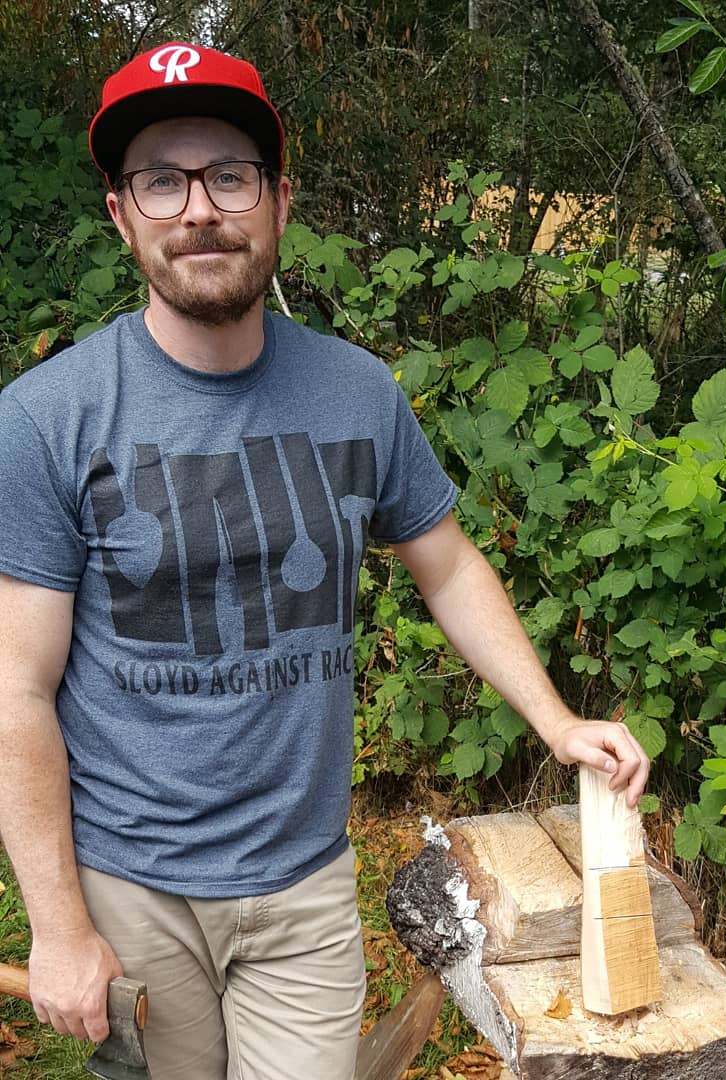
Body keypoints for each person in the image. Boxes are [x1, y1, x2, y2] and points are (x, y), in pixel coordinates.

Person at [0, 41, 649, 1080]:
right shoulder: (47, 421)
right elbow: (17, 694)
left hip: (302, 882)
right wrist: (60, 924)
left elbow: (446, 564)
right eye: (161, 180)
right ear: (122, 213)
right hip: (132, 884)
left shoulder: (358, 393)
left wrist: (556, 718)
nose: (199, 209)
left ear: (278, 200)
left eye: (229, 174)